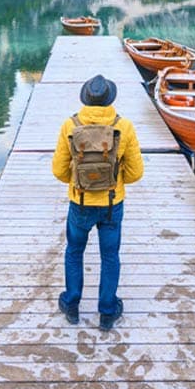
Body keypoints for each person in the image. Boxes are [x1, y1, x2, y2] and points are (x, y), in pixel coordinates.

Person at [51, 74, 144, 331]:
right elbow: (136, 173)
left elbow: (59, 171)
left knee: (74, 252)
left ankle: (71, 306)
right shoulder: (124, 127)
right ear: (109, 99)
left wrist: (79, 179)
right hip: (112, 205)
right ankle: (107, 313)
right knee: (110, 256)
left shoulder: (70, 125)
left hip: (79, 203)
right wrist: (115, 177)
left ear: (86, 98)